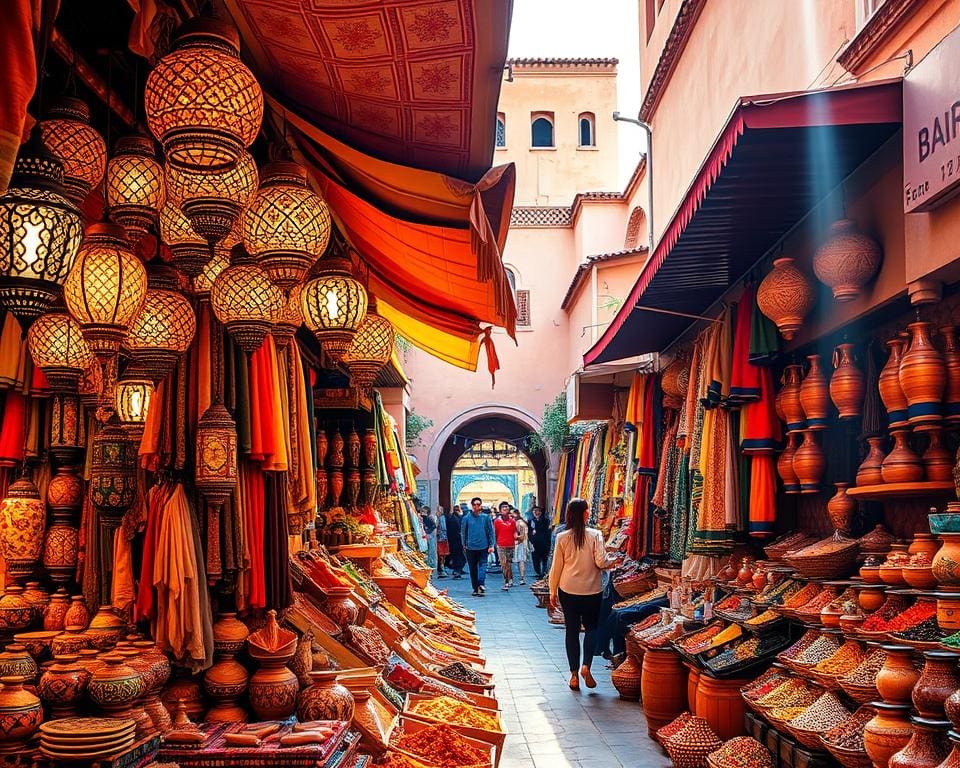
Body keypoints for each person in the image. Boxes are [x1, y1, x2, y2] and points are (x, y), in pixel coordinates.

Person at [549, 497, 623, 691]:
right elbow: (601, 561)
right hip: (592, 590)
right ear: (583, 513)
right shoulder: (595, 535)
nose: (589, 512)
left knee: (571, 631)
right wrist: (614, 560)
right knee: (591, 628)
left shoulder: (562, 537)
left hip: (568, 589)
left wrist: (552, 590)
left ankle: (573, 675)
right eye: (587, 510)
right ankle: (586, 666)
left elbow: (556, 567)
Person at [462, 497, 495, 596]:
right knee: (473, 569)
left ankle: (481, 583)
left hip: (483, 546)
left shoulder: (486, 518)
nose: (476, 506)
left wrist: (491, 544)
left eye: (478, 504)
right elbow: (463, 533)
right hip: (470, 547)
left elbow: (490, 532)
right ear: (472, 506)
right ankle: (475, 588)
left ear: (480, 506)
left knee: (483, 566)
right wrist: (464, 544)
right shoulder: (466, 518)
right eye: (474, 504)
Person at [493, 501, 517, 590]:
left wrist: (518, 538)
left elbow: (514, 532)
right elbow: (495, 533)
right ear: (500, 510)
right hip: (501, 545)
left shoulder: (512, 521)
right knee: (503, 564)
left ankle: (510, 578)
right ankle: (506, 581)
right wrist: (494, 544)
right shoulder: (497, 521)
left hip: (511, 545)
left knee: (509, 563)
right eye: (503, 507)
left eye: (507, 507)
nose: (505, 509)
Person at [528, 506, 552, 579]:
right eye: (534, 511)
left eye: (538, 511)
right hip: (534, 543)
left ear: (541, 512)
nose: (536, 513)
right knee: (535, 559)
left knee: (544, 559)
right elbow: (529, 532)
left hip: (544, 543)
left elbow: (547, 532)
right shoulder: (530, 521)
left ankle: (543, 573)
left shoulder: (546, 521)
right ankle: (538, 572)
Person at [445, 505, 466, 578]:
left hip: (452, 540)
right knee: (460, 557)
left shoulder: (450, 518)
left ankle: (457, 570)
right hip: (458, 540)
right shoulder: (458, 518)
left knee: (456, 556)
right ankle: (457, 571)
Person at [512, 509, 529, 585]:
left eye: (512, 514)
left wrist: (515, 537)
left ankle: (522, 578)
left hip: (520, 544)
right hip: (521, 544)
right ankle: (521, 577)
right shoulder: (521, 522)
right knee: (520, 561)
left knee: (521, 561)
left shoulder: (520, 523)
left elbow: (521, 536)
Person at [420, 506, 438, 570]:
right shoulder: (424, 518)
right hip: (427, 536)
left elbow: (434, 526)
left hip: (430, 536)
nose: (422, 513)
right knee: (428, 550)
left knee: (431, 550)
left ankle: (432, 563)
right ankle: (429, 562)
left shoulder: (429, 518)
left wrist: (427, 532)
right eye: (421, 511)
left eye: (423, 511)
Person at [436, 506, 448, 578]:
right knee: (442, 555)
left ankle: (442, 569)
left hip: (441, 539)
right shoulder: (441, 518)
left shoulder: (441, 518)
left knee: (441, 555)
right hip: (443, 538)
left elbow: (443, 528)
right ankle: (441, 569)